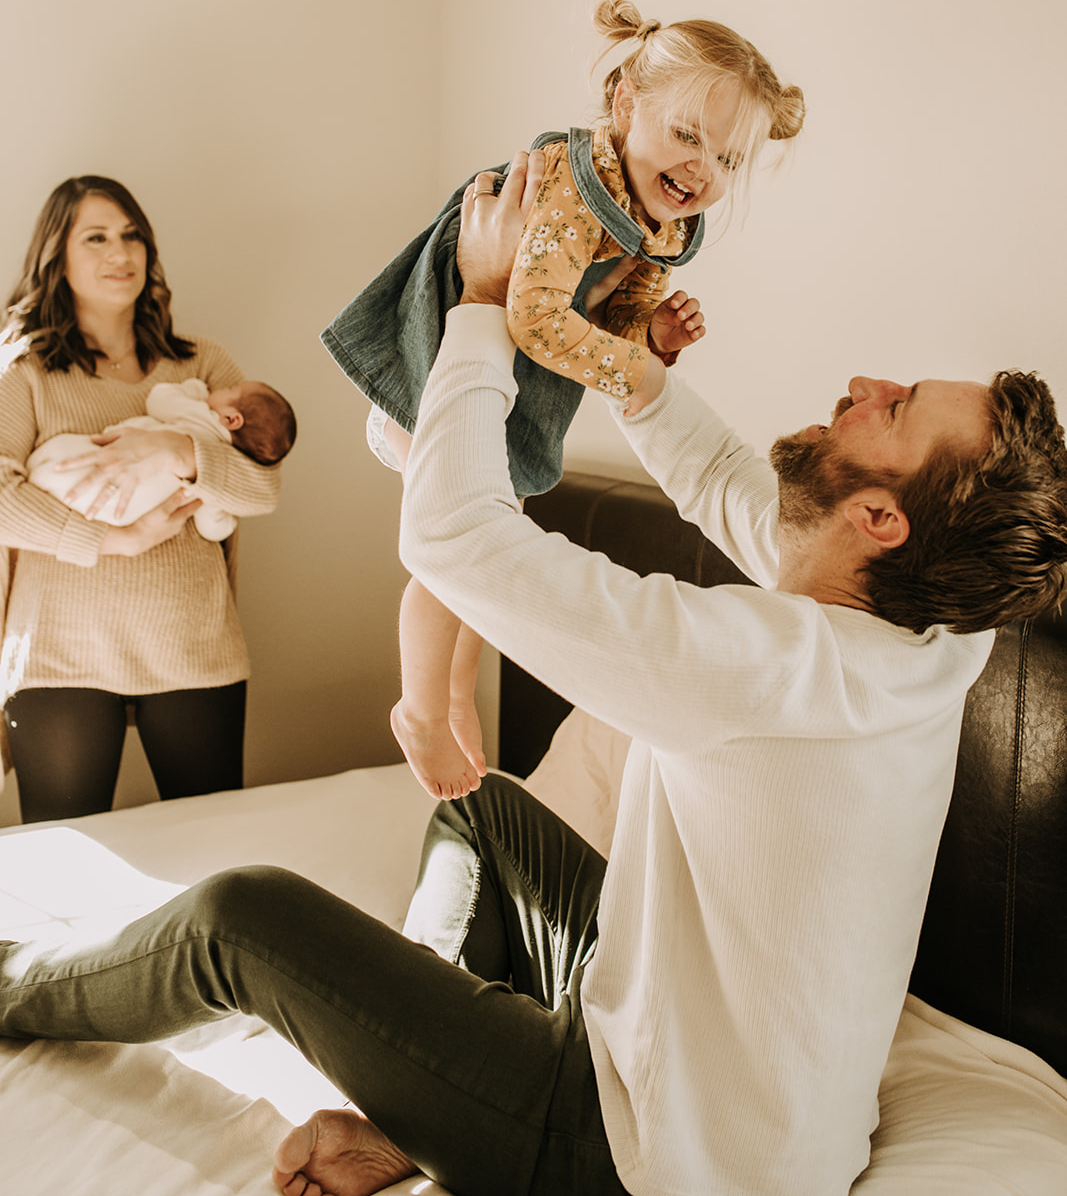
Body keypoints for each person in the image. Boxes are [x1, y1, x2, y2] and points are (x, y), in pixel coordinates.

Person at [2, 153, 1066, 1196]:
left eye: (892, 407)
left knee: (238, 914)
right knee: (481, 815)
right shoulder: (934, 630)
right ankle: (411, 1106)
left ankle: (11, 983)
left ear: (880, 520)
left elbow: (458, 532)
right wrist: (614, 355)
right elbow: (720, 481)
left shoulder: (757, 663)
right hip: (745, 1108)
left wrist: (479, 302)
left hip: (641, 1156)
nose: (863, 386)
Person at [322, 0, 805, 798]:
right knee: (458, 560)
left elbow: (607, 318)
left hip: (489, 398)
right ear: (624, 103)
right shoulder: (571, 194)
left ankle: (449, 697)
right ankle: (418, 708)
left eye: (725, 159)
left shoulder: (650, 211)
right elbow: (538, 319)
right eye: (686, 135)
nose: (699, 169)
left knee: (490, 561)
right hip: (426, 388)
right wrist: (636, 376)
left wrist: (648, 341)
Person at [0, 175, 288, 823]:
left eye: (132, 235)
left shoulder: (203, 366)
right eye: (96, 237)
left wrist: (175, 453)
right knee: (66, 865)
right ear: (58, 259)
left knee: (211, 860)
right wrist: (111, 538)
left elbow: (262, 486)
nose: (119, 252)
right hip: (58, 657)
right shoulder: (24, 370)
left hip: (194, 649)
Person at [28, 376, 297, 541]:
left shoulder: (201, 413)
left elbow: (159, 399)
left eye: (227, 389)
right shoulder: (213, 485)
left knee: (69, 461)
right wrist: (227, 520)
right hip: (125, 514)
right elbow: (212, 529)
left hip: (103, 475)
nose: (216, 388)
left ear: (231, 419)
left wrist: (194, 389)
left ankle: (42, 474)